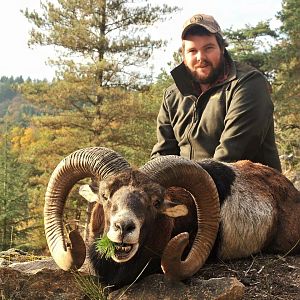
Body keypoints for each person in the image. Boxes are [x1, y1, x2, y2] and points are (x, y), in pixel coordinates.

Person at [151, 13, 282, 171]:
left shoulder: (249, 83)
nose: (200, 57)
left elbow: (231, 153)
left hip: (250, 188)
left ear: (221, 48)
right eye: (192, 51)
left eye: (208, 48)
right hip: (191, 189)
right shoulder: (173, 95)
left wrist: (192, 190)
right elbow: (162, 156)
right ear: (184, 56)